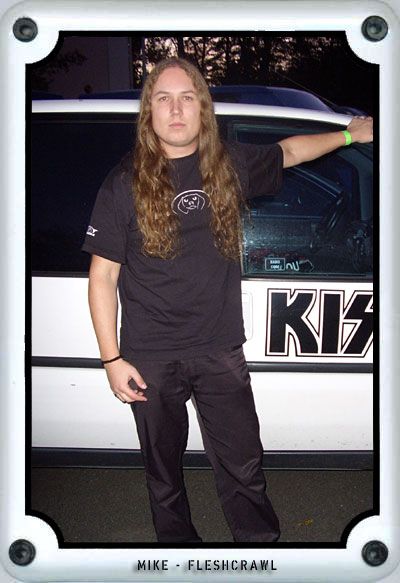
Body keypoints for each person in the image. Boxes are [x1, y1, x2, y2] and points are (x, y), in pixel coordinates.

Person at [82, 57, 373, 543]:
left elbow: (290, 152)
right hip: (150, 356)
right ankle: (178, 552)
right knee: (163, 474)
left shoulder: (226, 165)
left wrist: (349, 135)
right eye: (163, 99)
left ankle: (258, 552)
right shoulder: (122, 183)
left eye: (187, 98)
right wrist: (112, 359)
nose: (176, 110)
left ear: (203, 108)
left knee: (243, 464)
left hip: (219, 350)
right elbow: (102, 276)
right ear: (149, 111)